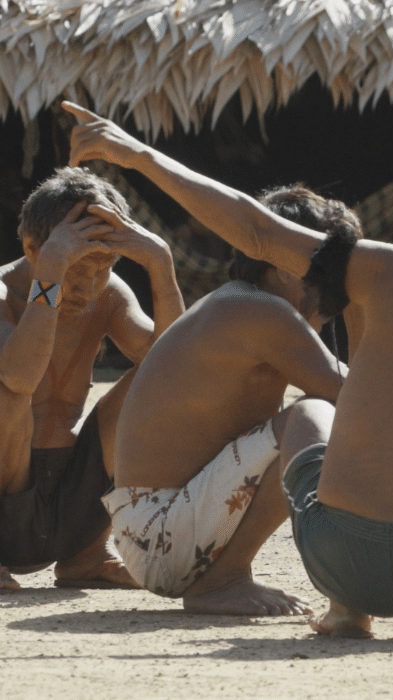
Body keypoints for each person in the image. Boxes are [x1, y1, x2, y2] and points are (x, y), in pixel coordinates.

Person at [66, 101, 393, 639]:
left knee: (314, 415)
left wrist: (137, 156)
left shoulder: (383, 269)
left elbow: (254, 228)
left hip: (339, 563)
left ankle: (346, 610)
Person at [102, 186, 351, 615]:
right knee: (311, 417)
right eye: (328, 266)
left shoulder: (242, 302)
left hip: (154, 533)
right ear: (287, 266)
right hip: (161, 532)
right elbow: (354, 397)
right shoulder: (260, 311)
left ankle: (228, 575)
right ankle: (222, 582)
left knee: (316, 421)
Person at [0, 166, 184, 591]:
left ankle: (87, 556)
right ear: (32, 249)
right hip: (7, 499)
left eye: (101, 268)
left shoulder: (109, 295)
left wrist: (161, 263)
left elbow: (173, 373)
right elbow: (18, 377)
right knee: (8, 394)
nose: (89, 286)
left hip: (72, 510)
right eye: (77, 268)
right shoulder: (5, 292)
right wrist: (51, 274)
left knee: (148, 382)